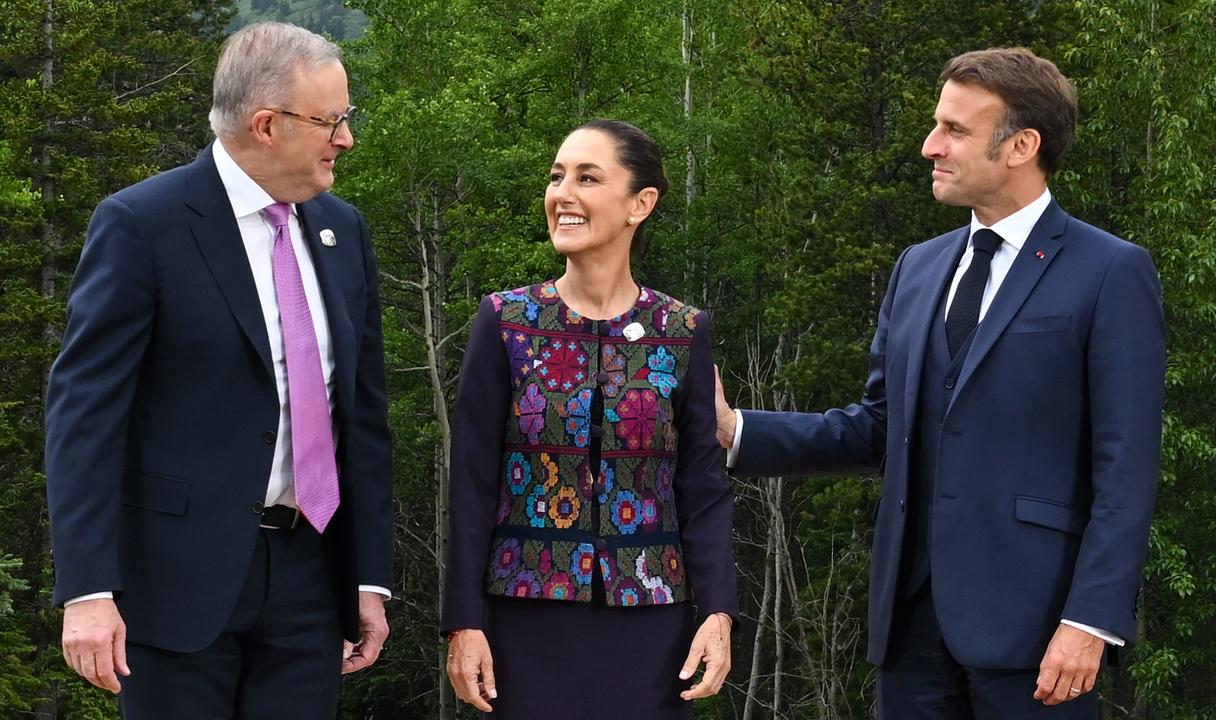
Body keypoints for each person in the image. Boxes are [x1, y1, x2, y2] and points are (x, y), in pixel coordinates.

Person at [716, 48, 1164, 718]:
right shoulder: (917, 268)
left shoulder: (1110, 271)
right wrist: (735, 429)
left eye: (953, 130)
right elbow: (877, 428)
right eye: (937, 126)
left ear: (1021, 145)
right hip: (910, 628)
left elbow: (1126, 468)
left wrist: (1091, 620)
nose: (931, 146)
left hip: (1040, 633)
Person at [45, 22, 394, 719]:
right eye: (333, 121)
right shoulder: (143, 224)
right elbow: (84, 415)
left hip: (309, 579)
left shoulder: (342, 229)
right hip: (175, 582)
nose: (346, 139)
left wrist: (370, 578)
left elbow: (361, 414)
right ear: (268, 124)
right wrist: (86, 589)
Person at [441, 120, 738, 718]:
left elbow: (702, 487)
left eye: (587, 177)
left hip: (651, 622)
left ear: (640, 204)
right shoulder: (506, 321)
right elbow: (471, 481)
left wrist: (718, 611)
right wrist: (463, 622)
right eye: (556, 177)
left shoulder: (682, 332)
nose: (563, 194)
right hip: (523, 617)